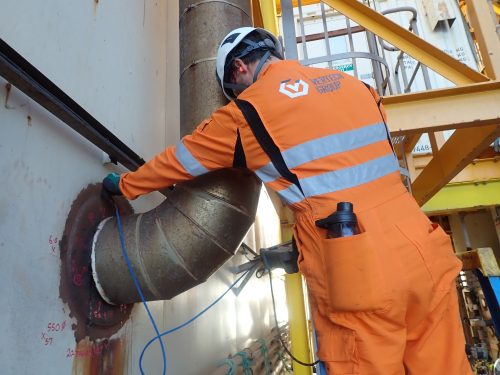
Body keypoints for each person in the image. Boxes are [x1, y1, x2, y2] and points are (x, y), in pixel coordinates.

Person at [103, 27, 471, 374]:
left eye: (234, 87)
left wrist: (127, 185)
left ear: (240, 67)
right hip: (422, 248)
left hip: (357, 266)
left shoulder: (246, 113)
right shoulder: (356, 86)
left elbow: (179, 161)